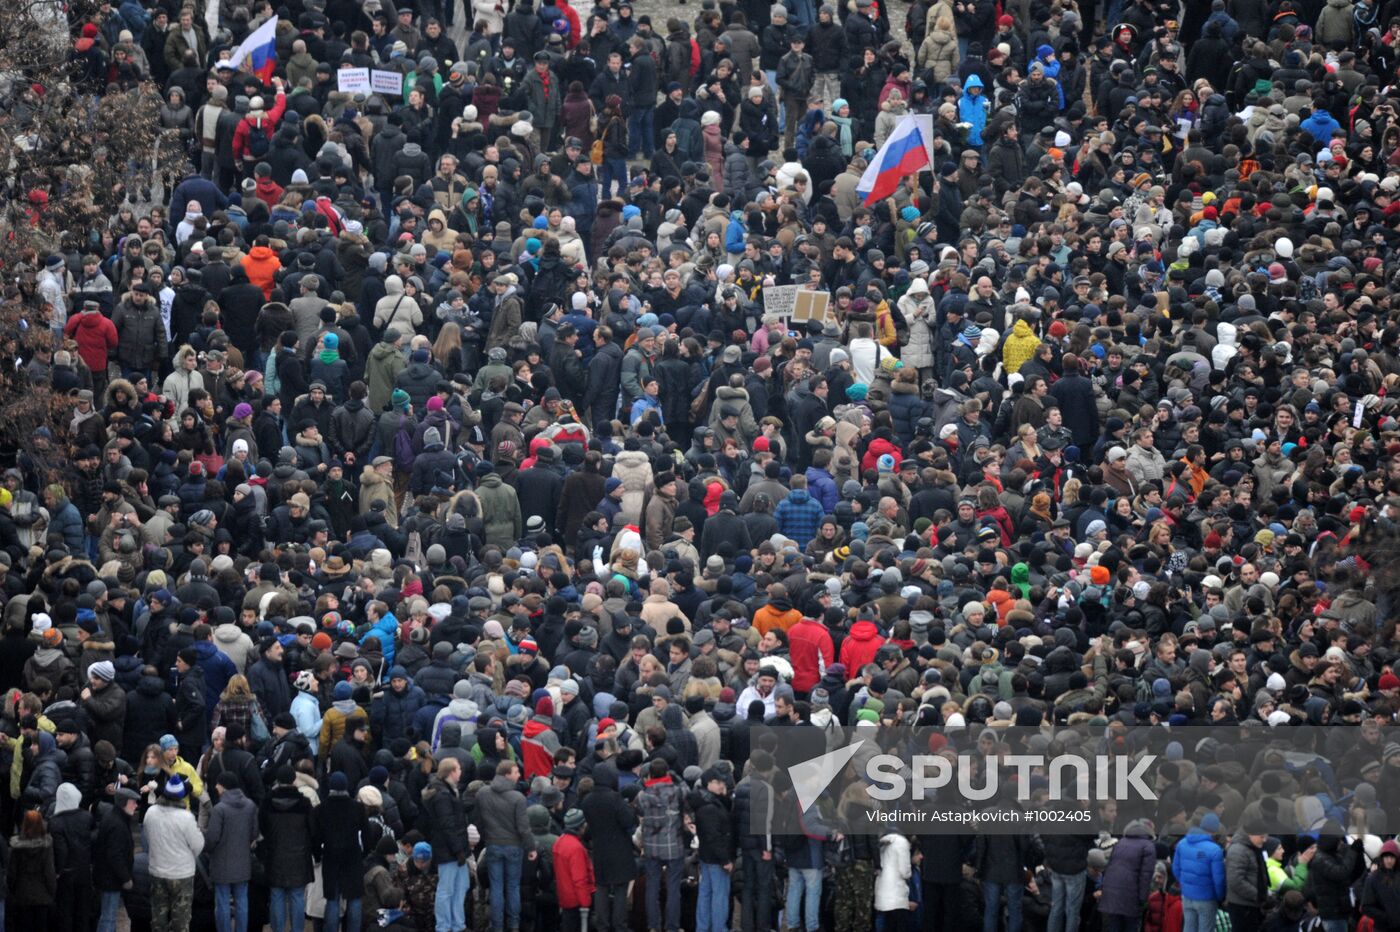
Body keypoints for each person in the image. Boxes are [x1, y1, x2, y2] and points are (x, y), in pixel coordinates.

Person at [146, 775, 205, 932]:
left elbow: (147, 837)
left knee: (158, 917)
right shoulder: (186, 818)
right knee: (181, 919)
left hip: (157, 871)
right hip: (182, 874)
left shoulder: (151, 812)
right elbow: (198, 845)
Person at [553, 809, 594, 932]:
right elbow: (579, 879)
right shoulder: (576, 848)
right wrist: (585, 902)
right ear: (580, 826)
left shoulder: (559, 842)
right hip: (577, 901)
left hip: (565, 898)